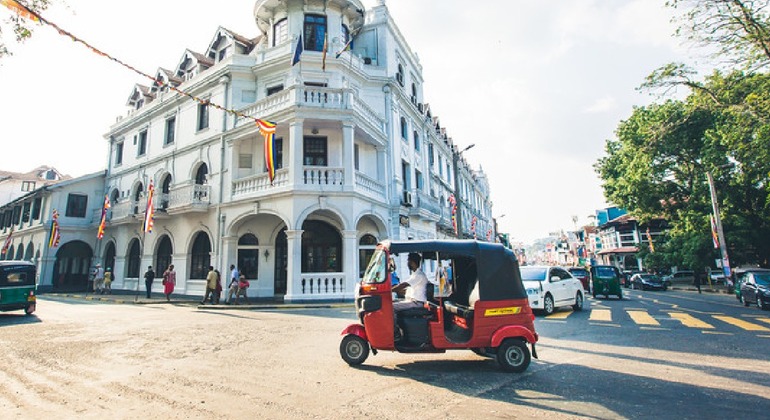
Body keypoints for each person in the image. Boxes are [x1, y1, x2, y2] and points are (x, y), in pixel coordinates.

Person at [392, 253, 429, 340]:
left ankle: (395, 332)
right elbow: (407, 289)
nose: (407, 263)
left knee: (391, 307)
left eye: (408, 261)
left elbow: (403, 285)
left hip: (416, 303)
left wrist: (388, 290)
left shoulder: (419, 275)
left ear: (412, 262)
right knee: (391, 303)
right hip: (412, 301)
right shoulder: (414, 275)